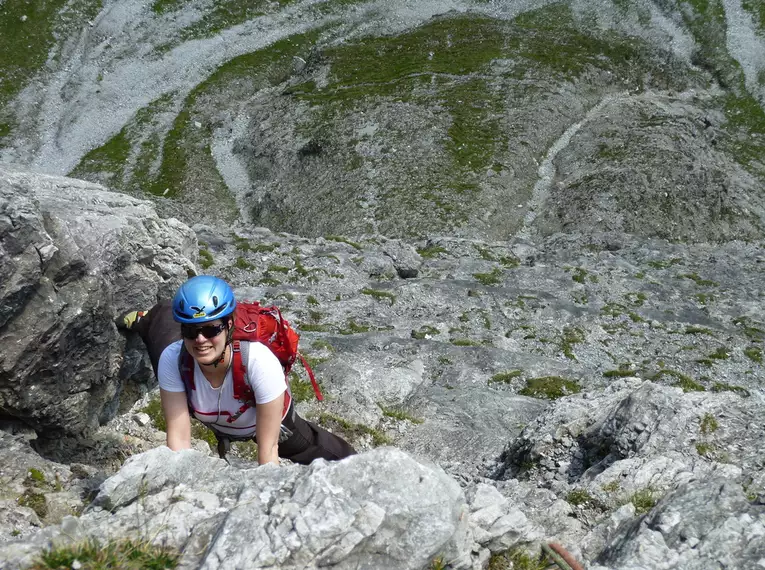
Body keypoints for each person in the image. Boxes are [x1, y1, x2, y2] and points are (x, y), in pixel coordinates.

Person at [119, 275, 356, 465]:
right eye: (190, 331)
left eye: (211, 329)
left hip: (263, 418)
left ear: (228, 326)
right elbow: (178, 441)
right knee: (160, 331)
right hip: (219, 413)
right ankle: (146, 318)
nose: (200, 339)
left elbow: (268, 455)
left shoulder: (258, 362)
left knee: (322, 452)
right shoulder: (175, 358)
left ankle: (356, 462)